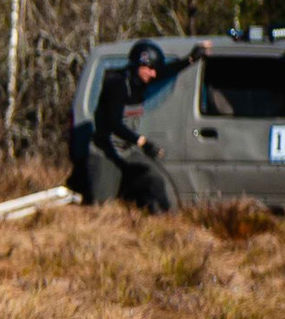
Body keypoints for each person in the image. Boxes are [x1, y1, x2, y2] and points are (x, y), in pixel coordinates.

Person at [85, 37, 204, 212]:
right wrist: (143, 142)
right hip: (106, 151)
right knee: (102, 202)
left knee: (154, 180)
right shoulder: (116, 84)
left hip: (126, 149)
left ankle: (162, 224)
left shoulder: (141, 81)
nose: (154, 75)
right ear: (138, 65)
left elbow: (166, 72)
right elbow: (114, 124)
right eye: (150, 69)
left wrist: (191, 59)